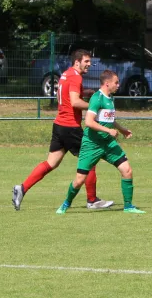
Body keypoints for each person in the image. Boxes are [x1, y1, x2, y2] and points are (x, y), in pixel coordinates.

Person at [12, 49, 113, 211]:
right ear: (77, 61)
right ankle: (92, 200)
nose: (89, 64)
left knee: (51, 163)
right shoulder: (75, 77)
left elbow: (68, 95)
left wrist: (84, 92)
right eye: (86, 61)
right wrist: (95, 107)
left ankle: (22, 188)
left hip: (59, 125)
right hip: (70, 127)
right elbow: (74, 102)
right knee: (90, 160)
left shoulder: (66, 74)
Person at [56, 70, 144, 214]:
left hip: (108, 144)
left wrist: (122, 130)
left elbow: (109, 119)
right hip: (92, 144)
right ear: (107, 83)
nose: (118, 85)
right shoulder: (97, 99)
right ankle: (66, 204)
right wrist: (108, 131)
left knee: (127, 170)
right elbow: (89, 122)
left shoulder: (110, 98)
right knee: (79, 180)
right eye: (116, 82)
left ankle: (128, 206)